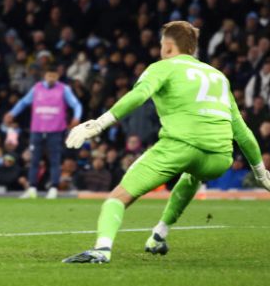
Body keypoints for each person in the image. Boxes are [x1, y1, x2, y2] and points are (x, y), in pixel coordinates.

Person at [63, 21, 270, 264]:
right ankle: (159, 234)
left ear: (169, 46)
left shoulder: (163, 67)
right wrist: (260, 172)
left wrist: (98, 124)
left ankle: (102, 249)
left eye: (162, 44)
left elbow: (138, 96)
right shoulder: (218, 77)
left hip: (179, 146)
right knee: (192, 176)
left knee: (118, 197)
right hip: (219, 157)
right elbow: (242, 131)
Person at [5, 64, 82, 199]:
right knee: (34, 160)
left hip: (56, 130)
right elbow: (23, 102)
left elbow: (76, 104)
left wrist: (77, 117)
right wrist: (12, 113)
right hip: (37, 129)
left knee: (55, 160)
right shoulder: (37, 88)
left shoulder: (64, 89)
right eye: (49, 75)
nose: (51, 78)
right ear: (44, 76)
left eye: (54, 75)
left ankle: (53, 188)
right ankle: (32, 188)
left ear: (57, 76)